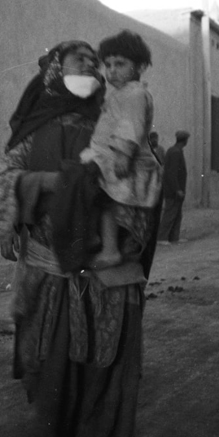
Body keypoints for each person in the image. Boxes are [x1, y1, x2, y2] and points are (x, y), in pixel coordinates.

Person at [0, 39, 161, 437]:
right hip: (44, 271)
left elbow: (144, 180)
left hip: (105, 276)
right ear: (55, 70)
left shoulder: (121, 115)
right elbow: (2, 181)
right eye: (78, 58)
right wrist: (48, 184)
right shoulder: (33, 130)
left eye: (95, 59)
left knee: (102, 374)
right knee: (46, 375)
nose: (91, 65)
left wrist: (115, 223)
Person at [79, 30, 163, 269]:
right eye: (108, 64)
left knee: (109, 206)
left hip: (125, 163)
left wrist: (124, 154)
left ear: (139, 66)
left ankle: (111, 249)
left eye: (120, 64)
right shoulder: (121, 93)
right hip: (107, 158)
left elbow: (130, 126)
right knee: (100, 200)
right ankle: (105, 243)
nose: (112, 70)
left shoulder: (135, 94)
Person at [157, 130, 190, 244]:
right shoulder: (176, 152)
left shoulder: (173, 150)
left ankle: (173, 237)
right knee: (170, 214)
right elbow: (172, 173)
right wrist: (177, 189)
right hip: (173, 191)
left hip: (174, 190)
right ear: (185, 141)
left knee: (176, 214)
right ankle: (162, 237)